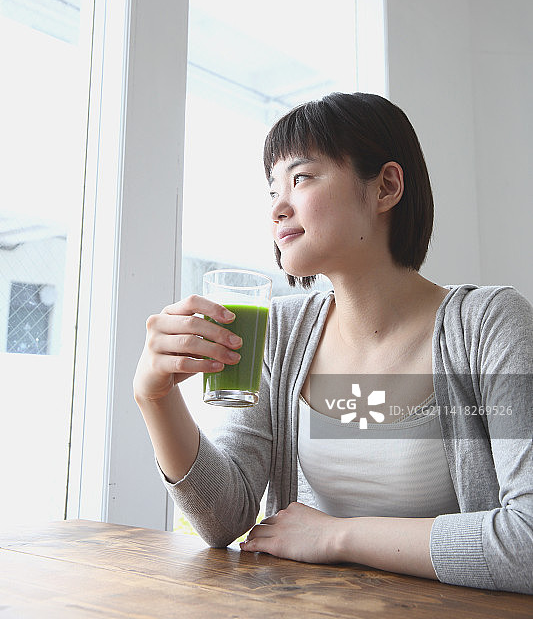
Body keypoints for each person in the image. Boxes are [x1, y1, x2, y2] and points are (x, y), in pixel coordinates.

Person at [133, 92, 533, 594]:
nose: (278, 207)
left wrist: (338, 536)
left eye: (301, 178)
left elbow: (527, 541)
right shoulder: (280, 332)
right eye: (272, 189)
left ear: (386, 186)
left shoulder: (489, 324)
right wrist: (155, 398)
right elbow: (224, 518)